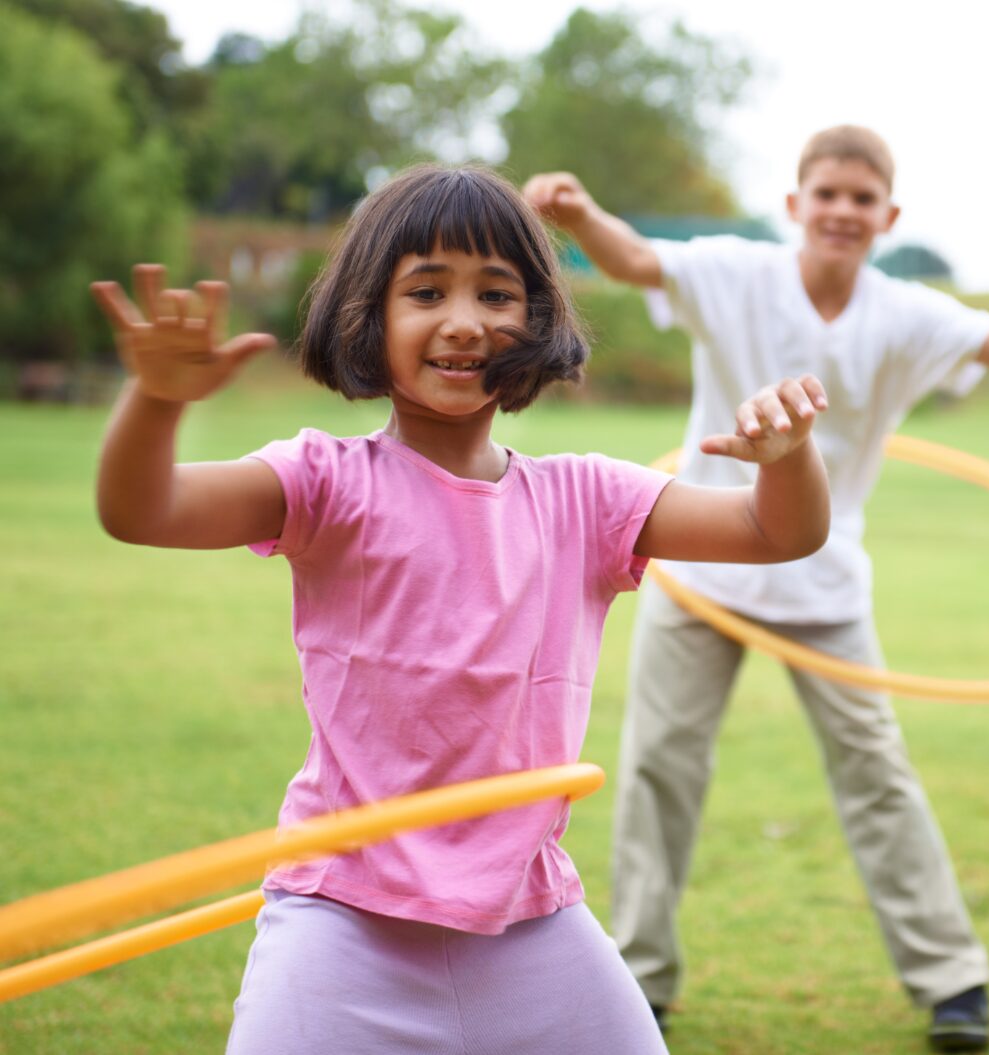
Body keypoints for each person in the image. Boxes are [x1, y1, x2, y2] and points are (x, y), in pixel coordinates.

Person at [90, 163, 830, 1055]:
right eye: (426, 290)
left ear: (539, 320)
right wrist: (156, 400)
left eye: (497, 292)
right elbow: (144, 510)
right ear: (369, 316)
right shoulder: (325, 483)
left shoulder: (586, 500)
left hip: (530, 924)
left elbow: (771, 531)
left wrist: (787, 459)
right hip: (343, 922)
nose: (465, 321)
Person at [524, 125, 989, 1052]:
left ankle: (953, 984)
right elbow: (634, 259)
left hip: (823, 581)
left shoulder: (906, 313)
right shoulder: (737, 274)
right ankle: (642, 980)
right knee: (660, 767)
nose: (842, 212)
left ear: (886, 217)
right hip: (704, 561)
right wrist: (578, 214)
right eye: (826, 193)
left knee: (877, 777)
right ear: (795, 205)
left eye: (862, 200)